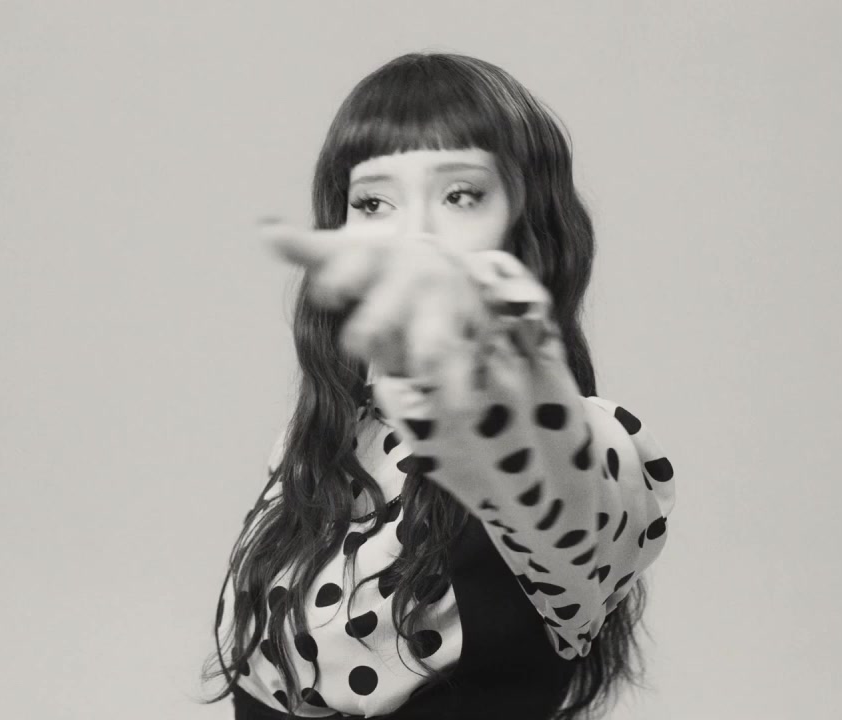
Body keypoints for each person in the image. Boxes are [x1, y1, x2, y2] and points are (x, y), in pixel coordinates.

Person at [197, 51, 677, 720]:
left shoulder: (586, 449)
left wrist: (499, 391)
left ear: (530, 231)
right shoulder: (326, 441)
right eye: (373, 202)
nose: (413, 235)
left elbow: (555, 483)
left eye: (460, 196)